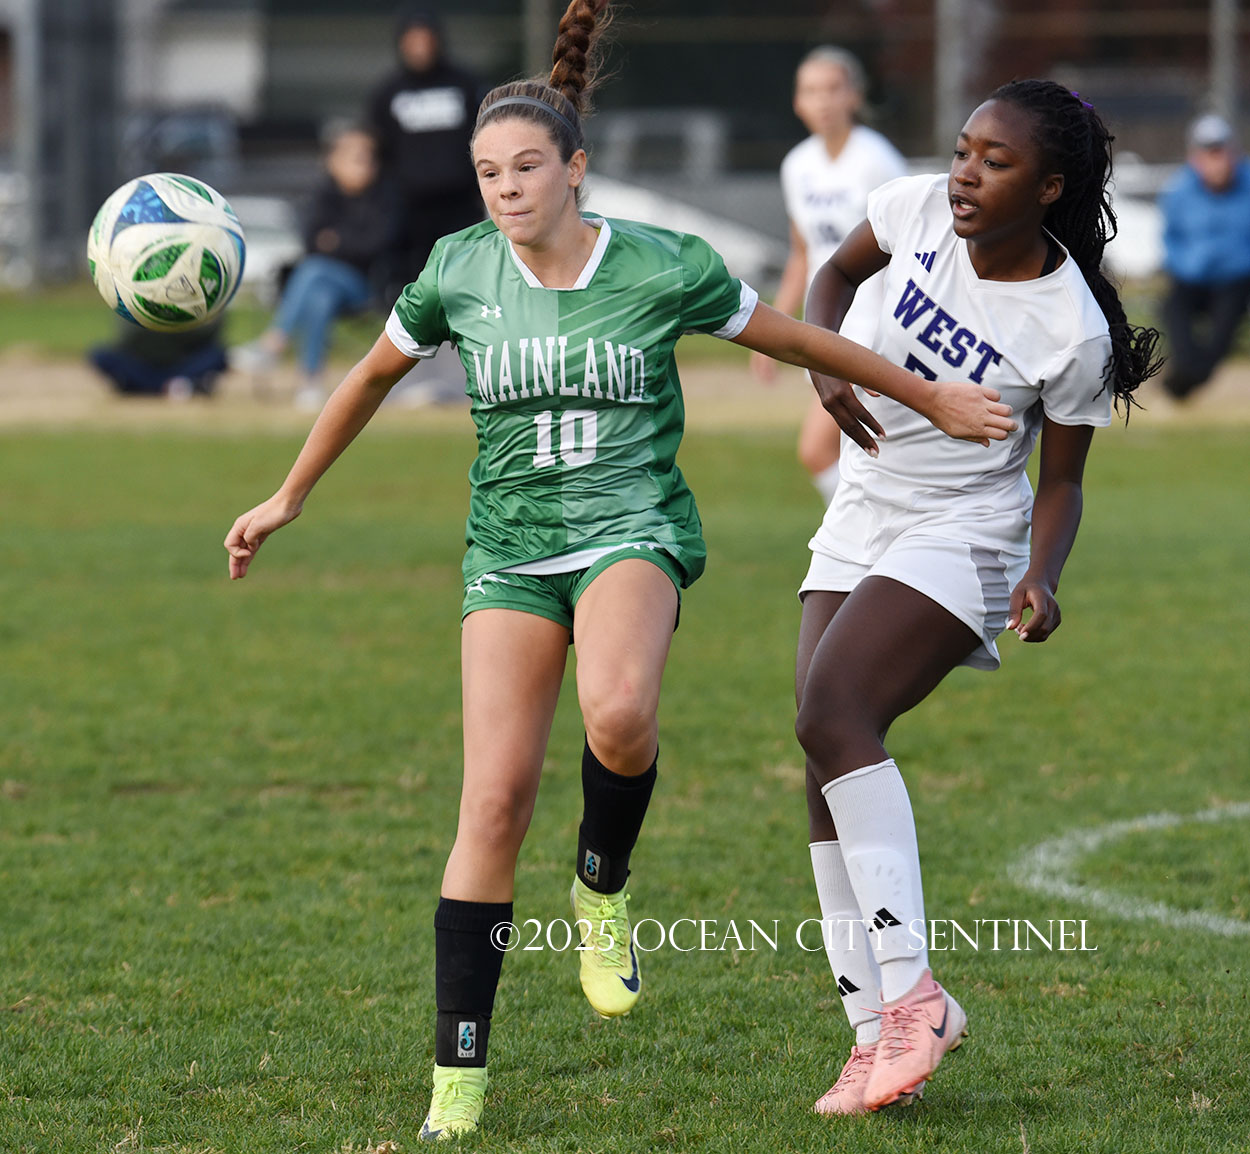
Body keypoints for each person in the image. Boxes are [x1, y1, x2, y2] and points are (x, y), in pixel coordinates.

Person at [223, 0, 1015, 1140]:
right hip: (508, 551)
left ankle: (601, 883)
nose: (505, 189)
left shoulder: (659, 266)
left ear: (575, 169)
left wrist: (924, 394)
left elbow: (798, 336)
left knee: (620, 714)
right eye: (487, 172)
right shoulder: (456, 269)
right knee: (491, 802)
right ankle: (457, 1078)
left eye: (526, 167)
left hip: (629, 529)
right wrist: (288, 494)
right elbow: (367, 378)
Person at [793, 79, 1162, 1117]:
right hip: (862, 507)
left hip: (964, 530)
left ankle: (914, 996)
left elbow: (1062, 481)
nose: (963, 174)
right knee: (821, 758)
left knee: (833, 714)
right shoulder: (912, 207)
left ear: (1047, 188)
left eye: (994, 162)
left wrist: (1043, 573)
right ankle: (872, 1035)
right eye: (962, 150)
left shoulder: (1071, 328)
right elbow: (831, 274)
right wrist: (823, 367)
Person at [751, 46, 906, 506]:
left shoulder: (877, 160)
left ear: (855, 96)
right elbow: (804, 253)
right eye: (811, 91)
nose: (823, 100)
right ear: (797, 102)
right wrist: (771, 329)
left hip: (876, 328)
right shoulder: (797, 165)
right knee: (863, 457)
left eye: (834, 88)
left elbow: (910, 247)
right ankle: (878, 534)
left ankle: (865, 535)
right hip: (828, 323)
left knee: (819, 450)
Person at [231, 125, 398, 409]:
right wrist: (344, 241)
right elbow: (311, 240)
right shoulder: (323, 195)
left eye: (368, 158)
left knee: (314, 270)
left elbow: (376, 244)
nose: (363, 164)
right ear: (333, 161)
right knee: (320, 296)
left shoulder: (385, 198)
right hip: (327, 286)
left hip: (366, 286)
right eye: (354, 158)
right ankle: (310, 384)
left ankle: (274, 342)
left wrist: (336, 240)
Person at [365, 6, 483, 301]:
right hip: (408, 209)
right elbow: (378, 148)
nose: (420, 48)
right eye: (413, 41)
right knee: (415, 285)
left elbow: (483, 136)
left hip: (459, 204)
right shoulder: (387, 92)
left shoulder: (465, 84)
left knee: (464, 278)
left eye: (425, 39)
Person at [1158, 112, 1250, 400]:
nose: (1216, 161)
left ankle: (1192, 377)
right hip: (1191, 276)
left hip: (1235, 279)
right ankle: (1186, 371)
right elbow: (1171, 237)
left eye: (1221, 151)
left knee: (1225, 324)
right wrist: (1183, 266)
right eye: (1208, 153)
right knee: (1173, 309)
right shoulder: (1179, 191)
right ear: (1195, 157)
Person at [88, 315, 227, 400]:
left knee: (218, 354)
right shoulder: (132, 303)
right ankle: (180, 385)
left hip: (180, 365)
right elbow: (126, 339)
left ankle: (141, 387)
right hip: (143, 368)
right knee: (100, 354)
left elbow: (207, 336)